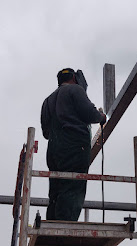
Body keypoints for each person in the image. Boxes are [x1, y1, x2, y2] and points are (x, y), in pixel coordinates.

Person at [41, 68, 106, 221]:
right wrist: (101, 116)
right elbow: (90, 114)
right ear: (75, 78)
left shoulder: (48, 100)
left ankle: (52, 225)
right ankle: (65, 226)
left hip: (53, 151)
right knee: (73, 186)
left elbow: (46, 133)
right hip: (75, 147)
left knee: (56, 189)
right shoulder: (75, 90)